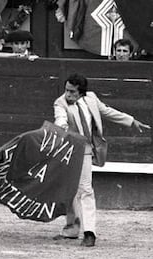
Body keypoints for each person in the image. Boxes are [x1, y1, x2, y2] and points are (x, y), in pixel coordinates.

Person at [53, 73, 150, 247]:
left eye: (72, 92)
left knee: (85, 189)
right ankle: (72, 229)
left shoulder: (91, 98)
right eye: (66, 90)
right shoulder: (60, 103)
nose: (68, 95)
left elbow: (107, 111)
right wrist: (63, 128)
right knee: (70, 189)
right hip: (68, 150)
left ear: (81, 93)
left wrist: (131, 120)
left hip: (85, 150)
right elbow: (60, 120)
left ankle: (89, 232)